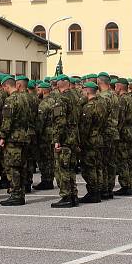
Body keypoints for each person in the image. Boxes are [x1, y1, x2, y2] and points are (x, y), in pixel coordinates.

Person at [0, 75, 33, 206]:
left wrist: (3, 136)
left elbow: (7, 122)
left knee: (12, 167)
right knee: (21, 166)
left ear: (6, 86)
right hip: (24, 136)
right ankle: (21, 193)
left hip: (13, 138)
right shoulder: (25, 98)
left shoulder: (10, 100)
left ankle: (16, 194)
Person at [51, 75, 79, 208]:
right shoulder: (75, 96)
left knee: (63, 168)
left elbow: (60, 121)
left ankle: (66, 196)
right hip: (74, 137)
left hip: (65, 138)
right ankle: (73, 195)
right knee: (71, 167)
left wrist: (57, 140)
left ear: (58, 85)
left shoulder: (61, 98)